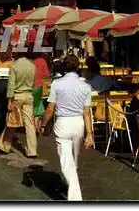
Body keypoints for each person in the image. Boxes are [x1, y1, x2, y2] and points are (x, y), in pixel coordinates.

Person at [40, 54, 94, 201]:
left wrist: (43, 124)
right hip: (78, 124)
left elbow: (50, 108)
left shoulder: (57, 84)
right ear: (77, 67)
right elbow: (87, 112)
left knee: (66, 163)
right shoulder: (86, 86)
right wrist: (89, 134)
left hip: (63, 123)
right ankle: (73, 192)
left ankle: (75, 198)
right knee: (73, 161)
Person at [0, 49, 37, 157]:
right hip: (28, 95)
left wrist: (9, 100)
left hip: (17, 96)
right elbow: (33, 83)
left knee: (12, 122)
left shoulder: (14, 66)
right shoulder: (32, 66)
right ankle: (32, 150)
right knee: (29, 124)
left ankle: (6, 145)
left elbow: (11, 85)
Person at [31, 51, 50, 131]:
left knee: (31, 106)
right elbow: (46, 75)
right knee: (38, 104)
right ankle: (36, 122)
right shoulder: (42, 61)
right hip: (38, 86)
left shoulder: (27, 61)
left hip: (28, 86)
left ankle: (32, 124)